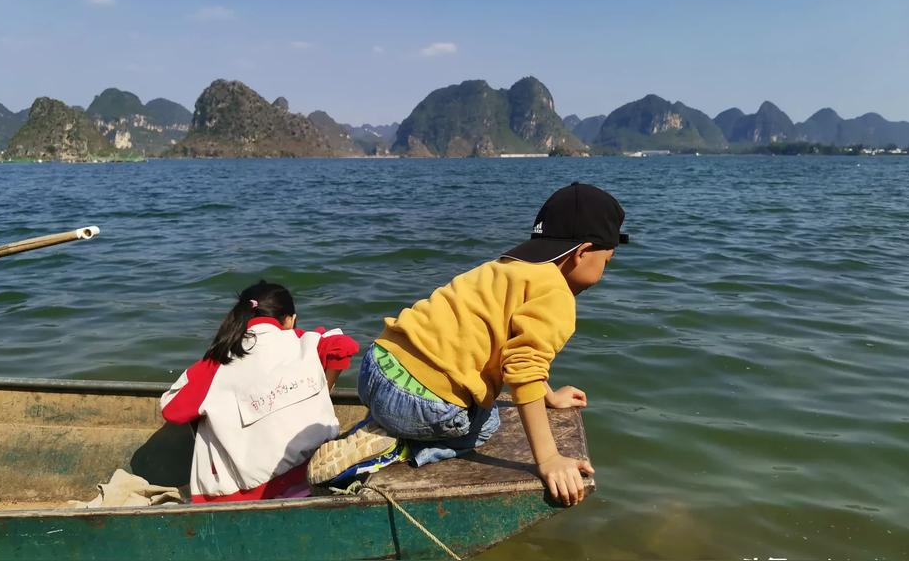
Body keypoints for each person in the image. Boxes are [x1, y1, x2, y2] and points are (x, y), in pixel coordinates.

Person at [307, 182, 628, 507]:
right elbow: (524, 368)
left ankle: (381, 423)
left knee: (474, 398)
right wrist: (548, 459)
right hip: (417, 404)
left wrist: (548, 396)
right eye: (607, 261)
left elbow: (512, 349)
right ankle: (399, 447)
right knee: (487, 421)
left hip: (375, 369)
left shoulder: (504, 269)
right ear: (582, 253)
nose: (604, 271)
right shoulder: (557, 295)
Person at [160, 280, 358, 503]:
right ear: (290, 319)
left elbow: (171, 409)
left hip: (239, 495)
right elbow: (342, 347)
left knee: (208, 411)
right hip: (314, 474)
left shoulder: (217, 362)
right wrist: (325, 389)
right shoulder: (305, 341)